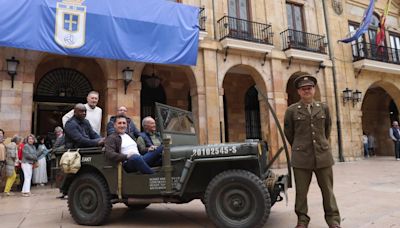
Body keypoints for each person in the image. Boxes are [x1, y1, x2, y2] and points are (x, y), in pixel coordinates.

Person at [284, 75, 341, 228]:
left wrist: (321, 144)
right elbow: (289, 133)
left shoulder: (324, 108)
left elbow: (327, 129)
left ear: (314, 90)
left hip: (323, 156)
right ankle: (302, 221)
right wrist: (299, 146)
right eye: (303, 89)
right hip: (301, 157)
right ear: (299, 92)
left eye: (309, 88)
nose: (307, 90)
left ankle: (333, 221)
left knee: (328, 191)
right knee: (301, 193)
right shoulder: (291, 110)